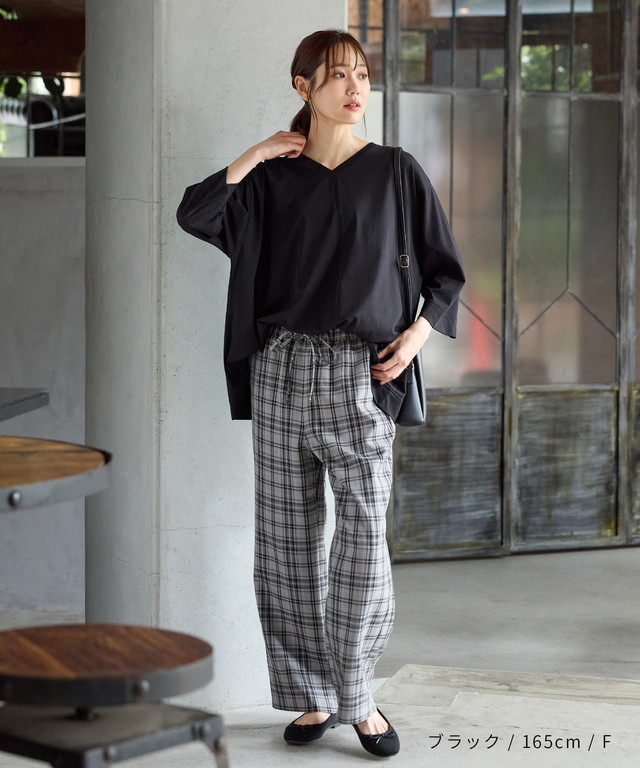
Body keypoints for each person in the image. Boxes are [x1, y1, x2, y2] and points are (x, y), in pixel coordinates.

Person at [176, 28, 464, 758]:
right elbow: (196, 214)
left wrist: (417, 337)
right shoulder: (270, 180)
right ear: (303, 87)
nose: (355, 87)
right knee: (286, 541)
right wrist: (257, 153)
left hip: (363, 372)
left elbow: (445, 273)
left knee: (363, 539)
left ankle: (358, 696)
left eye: (362, 74)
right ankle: (311, 695)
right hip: (280, 369)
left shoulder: (394, 171)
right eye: (337, 75)